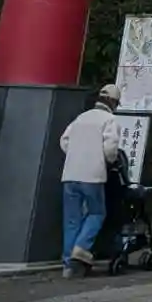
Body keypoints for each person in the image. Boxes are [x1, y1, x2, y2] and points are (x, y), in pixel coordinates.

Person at [59, 84, 122, 277]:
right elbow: (110, 149)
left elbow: (64, 141)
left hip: (70, 174)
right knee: (96, 213)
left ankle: (68, 264)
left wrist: (76, 154)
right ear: (113, 102)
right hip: (92, 175)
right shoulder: (109, 120)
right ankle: (80, 248)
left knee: (72, 220)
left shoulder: (80, 118)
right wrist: (107, 160)